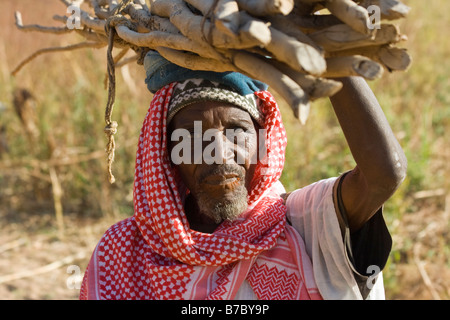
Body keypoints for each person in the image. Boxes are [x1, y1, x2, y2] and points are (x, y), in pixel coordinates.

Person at [79, 51, 407, 300]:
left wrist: (328, 49)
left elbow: (383, 175)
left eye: (236, 131)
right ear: (167, 151)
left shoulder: (307, 224)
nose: (220, 153)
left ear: (262, 141)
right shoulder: (124, 252)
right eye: (193, 136)